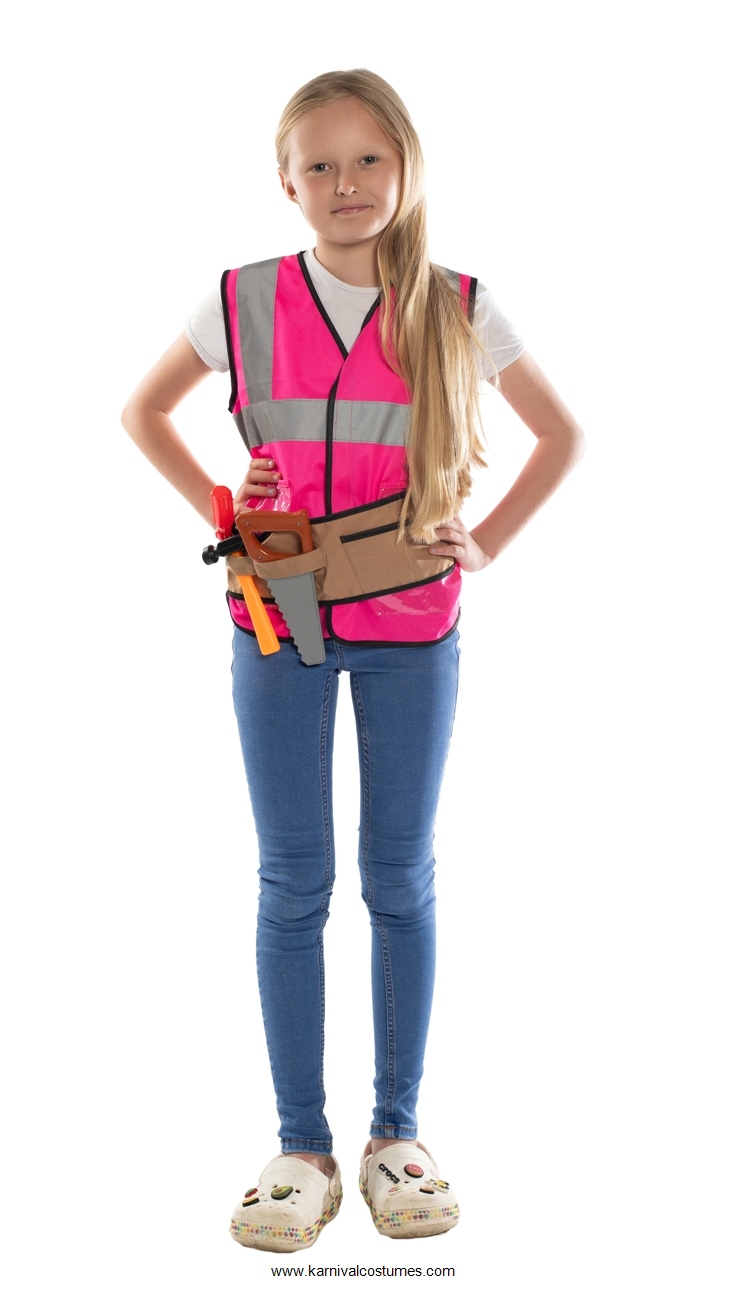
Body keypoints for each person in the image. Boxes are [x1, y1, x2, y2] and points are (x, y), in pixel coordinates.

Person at [121, 68, 584, 1254]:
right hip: (278, 623)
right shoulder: (240, 298)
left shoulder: (458, 302)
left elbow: (562, 434)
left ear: (407, 166)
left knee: (399, 878)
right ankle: (302, 1147)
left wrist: (485, 543)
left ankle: (396, 1139)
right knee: (292, 882)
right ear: (286, 183)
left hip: (412, 628)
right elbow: (144, 413)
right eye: (319, 164)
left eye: (369, 158)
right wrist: (226, 504)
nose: (346, 183)